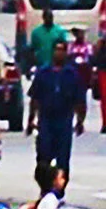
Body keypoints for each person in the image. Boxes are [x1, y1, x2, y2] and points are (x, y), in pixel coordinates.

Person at [28, 42, 86, 177]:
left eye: (62, 50)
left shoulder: (72, 74)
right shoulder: (43, 73)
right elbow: (35, 98)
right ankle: (45, 186)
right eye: (57, 50)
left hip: (64, 120)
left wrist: (80, 121)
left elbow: (79, 100)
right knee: (44, 155)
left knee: (63, 158)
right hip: (46, 120)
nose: (59, 53)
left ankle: (60, 189)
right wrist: (31, 119)